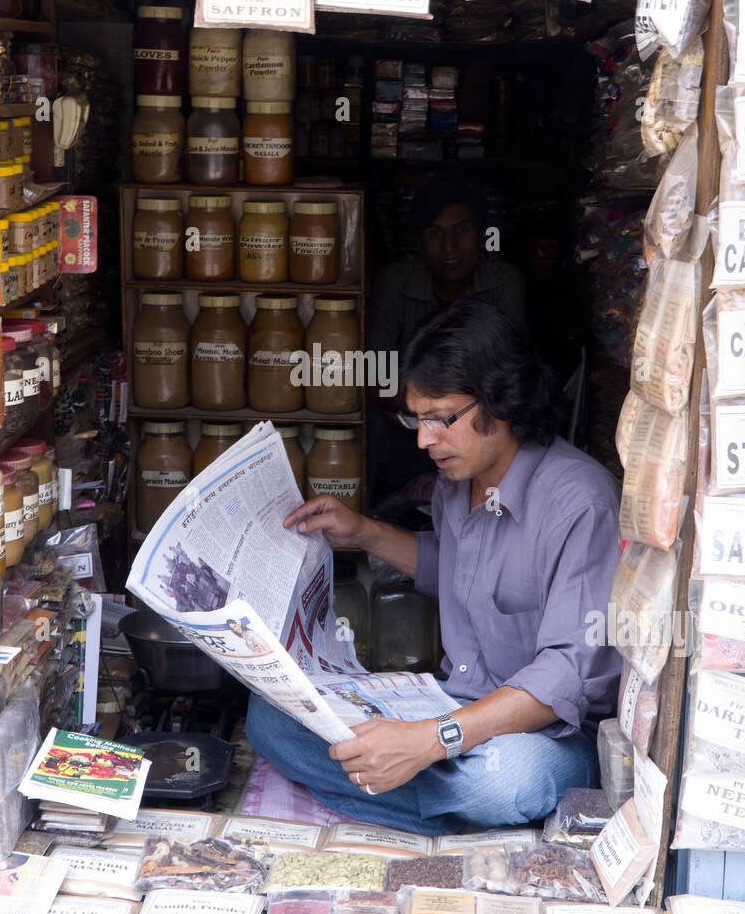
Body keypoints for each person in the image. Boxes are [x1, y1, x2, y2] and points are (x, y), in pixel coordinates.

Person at [246, 299, 621, 836]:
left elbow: (567, 674)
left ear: (502, 400)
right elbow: (459, 568)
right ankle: (439, 801)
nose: (424, 439)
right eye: (414, 419)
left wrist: (431, 740)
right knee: (271, 718)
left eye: (440, 418)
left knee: (507, 782)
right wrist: (365, 532)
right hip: (452, 702)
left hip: (545, 735)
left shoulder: (581, 503)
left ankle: (418, 791)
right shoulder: (456, 483)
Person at [367, 173, 526, 500]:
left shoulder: (505, 281)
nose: (449, 248)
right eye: (435, 234)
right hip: (408, 428)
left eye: (462, 231)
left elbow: (515, 377)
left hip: (483, 430)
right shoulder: (395, 282)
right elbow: (374, 377)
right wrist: (434, 417)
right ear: (419, 242)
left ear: (482, 235)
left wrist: (455, 415)